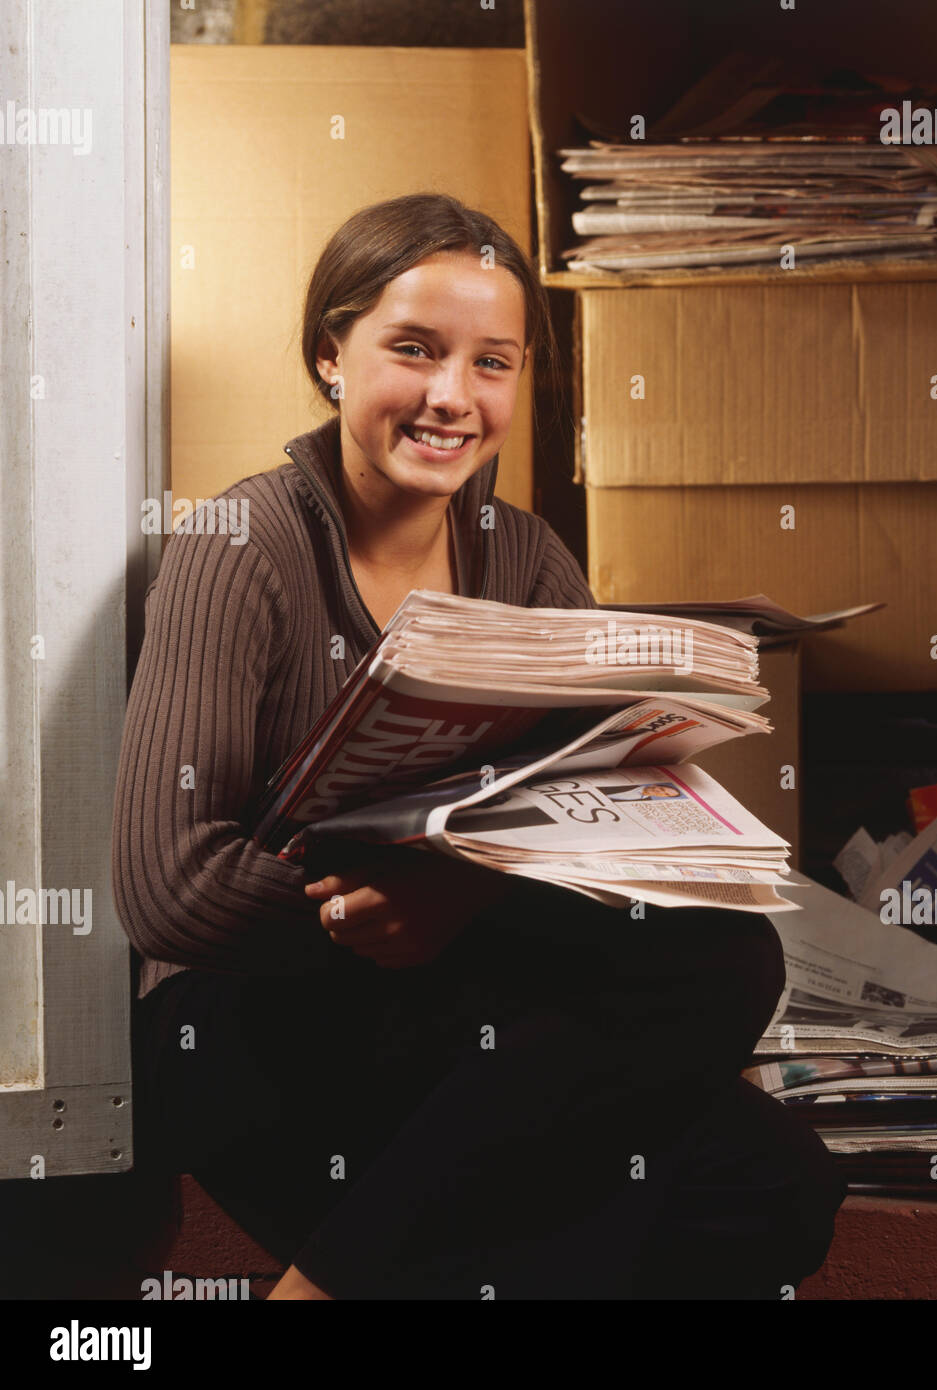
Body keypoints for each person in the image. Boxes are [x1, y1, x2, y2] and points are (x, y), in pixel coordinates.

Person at [113, 191, 845, 1300]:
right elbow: (167, 890)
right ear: (329, 354)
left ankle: (337, 1281)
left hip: (465, 1015)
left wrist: (471, 902)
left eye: (490, 362)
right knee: (599, 1153)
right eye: (414, 349)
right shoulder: (242, 544)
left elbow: (580, 823)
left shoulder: (526, 556)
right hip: (252, 1021)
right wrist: (381, 906)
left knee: (766, 1148)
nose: (451, 396)